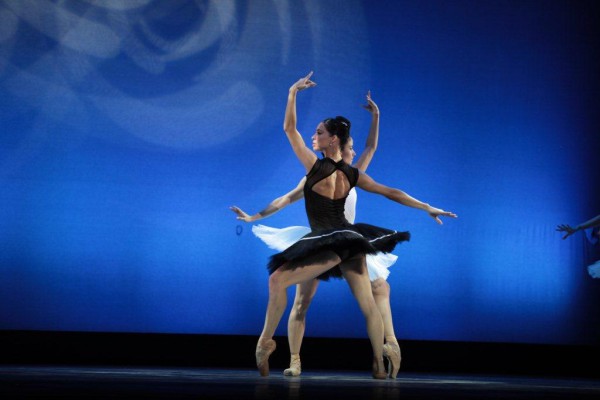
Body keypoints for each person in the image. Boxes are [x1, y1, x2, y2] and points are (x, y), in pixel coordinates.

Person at [242, 72, 456, 379]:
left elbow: (289, 129)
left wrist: (292, 92)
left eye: (318, 132)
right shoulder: (352, 175)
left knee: (278, 281)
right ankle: (377, 365)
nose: (313, 136)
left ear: (333, 139)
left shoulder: (316, 168)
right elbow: (391, 191)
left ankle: (265, 342)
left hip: (329, 241)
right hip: (349, 239)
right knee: (367, 303)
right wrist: (426, 207)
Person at [230, 92, 403, 378]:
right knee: (301, 302)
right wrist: (255, 216)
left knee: (380, 290)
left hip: (347, 241)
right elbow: (286, 198)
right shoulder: (323, 171)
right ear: (342, 145)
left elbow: (371, 148)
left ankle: (388, 350)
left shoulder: (354, 173)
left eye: (352, 149)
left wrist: (376, 117)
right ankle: (295, 359)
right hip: (320, 241)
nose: (353, 151)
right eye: (351, 147)